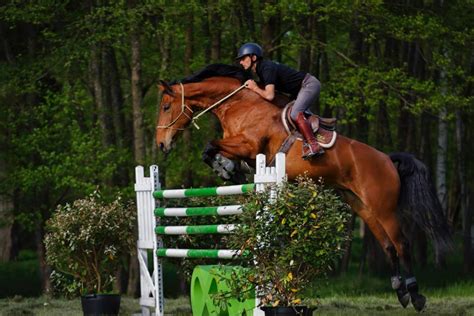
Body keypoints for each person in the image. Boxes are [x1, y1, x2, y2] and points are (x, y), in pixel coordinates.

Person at [236, 42, 324, 159]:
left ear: (253, 57)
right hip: (298, 91)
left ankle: (313, 145)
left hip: (308, 85)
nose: (241, 62)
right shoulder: (261, 70)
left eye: (243, 58)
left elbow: (269, 96)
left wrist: (255, 88)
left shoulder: (266, 68)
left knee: (295, 113)